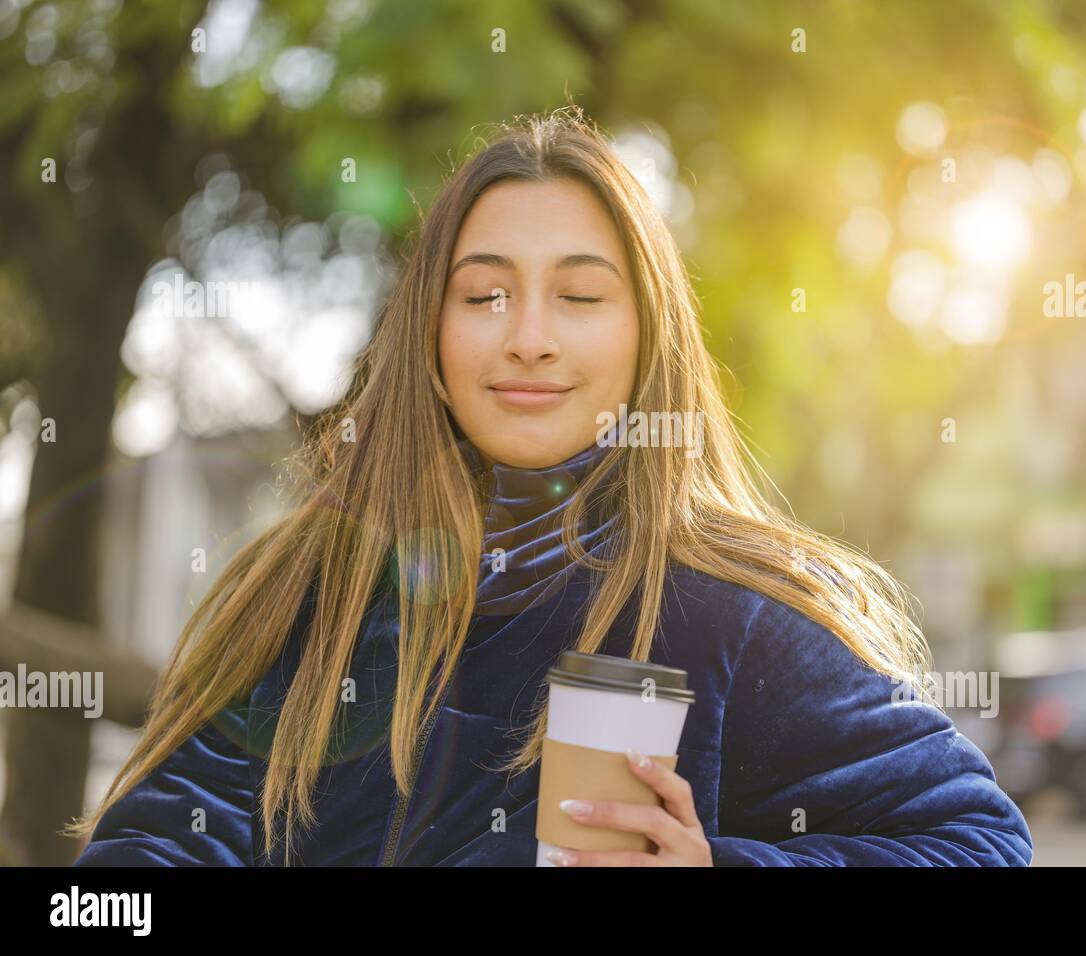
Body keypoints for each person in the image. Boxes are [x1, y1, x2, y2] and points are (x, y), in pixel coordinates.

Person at [65, 107, 1032, 866]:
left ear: (647, 338)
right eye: (484, 295)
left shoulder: (731, 615)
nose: (529, 335)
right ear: (431, 344)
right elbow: (158, 841)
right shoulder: (305, 591)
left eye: (579, 296)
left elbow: (978, 846)